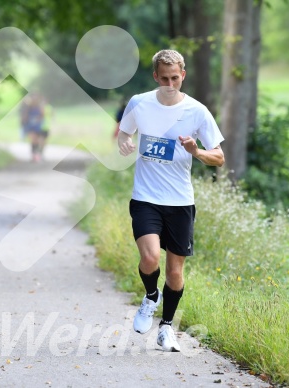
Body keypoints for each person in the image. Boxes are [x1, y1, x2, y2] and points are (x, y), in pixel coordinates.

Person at [117, 49, 224, 352]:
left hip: (179, 201)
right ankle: (151, 296)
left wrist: (197, 152)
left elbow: (218, 156)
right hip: (145, 197)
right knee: (150, 258)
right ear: (155, 77)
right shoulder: (139, 103)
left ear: (183, 75)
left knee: (175, 272)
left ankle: (166, 328)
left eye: (175, 78)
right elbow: (124, 133)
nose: (169, 83)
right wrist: (125, 142)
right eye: (164, 78)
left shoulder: (197, 111)